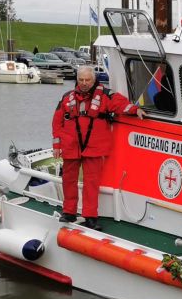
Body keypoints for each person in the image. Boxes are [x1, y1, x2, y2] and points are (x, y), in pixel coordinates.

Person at [51, 66, 145, 230]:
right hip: (71, 146)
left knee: (92, 183)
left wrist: (135, 109)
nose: (84, 83)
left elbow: (121, 104)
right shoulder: (67, 98)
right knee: (68, 181)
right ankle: (69, 212)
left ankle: (90, 217)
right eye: (81, 80)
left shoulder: (106, 96)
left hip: (94, 147)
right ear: (77, 80)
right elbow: (57, 123)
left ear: (94, 80)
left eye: (87, 80)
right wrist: (57, 146)